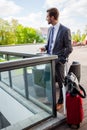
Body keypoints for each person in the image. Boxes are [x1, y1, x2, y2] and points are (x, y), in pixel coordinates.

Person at [40, 7, 73, 110]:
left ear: (52, 17)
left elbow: (69, 48)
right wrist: (44, 47)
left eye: (47, 17)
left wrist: (62, 59)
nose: (46, 19)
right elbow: (50, 43)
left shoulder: (65, 30)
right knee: (46, 79)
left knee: (61, 82)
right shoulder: (50, 29)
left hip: (59, 62)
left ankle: (61, 101)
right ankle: (49, 98)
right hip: (48, 60)